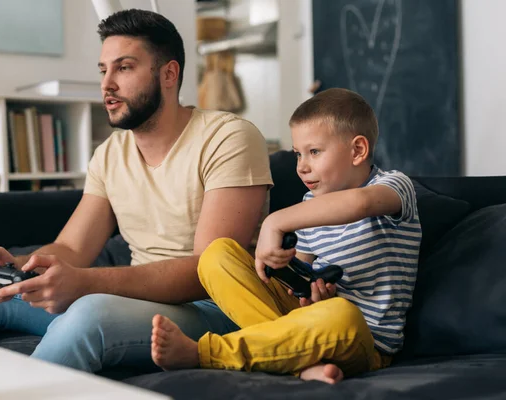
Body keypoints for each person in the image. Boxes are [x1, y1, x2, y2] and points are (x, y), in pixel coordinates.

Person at [0, 9, 272, 376]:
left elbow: (206, 271)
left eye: (124, 68)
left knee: (89, 313)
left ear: (169, 74)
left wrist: (83, 283)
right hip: (138, 303)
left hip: (215, 309)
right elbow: (72, 249)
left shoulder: (229, 138)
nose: (107, 84)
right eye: (103, 70)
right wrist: (18, 267)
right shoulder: (111, 154)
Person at [150, 88, 422, 384]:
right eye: (298, 154)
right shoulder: (308, 206)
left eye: (314, 152)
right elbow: (299, 284)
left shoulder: (395, 185)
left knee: (343, 314)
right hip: (305, 326)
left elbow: (360, 203)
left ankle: (206, 354)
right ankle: (299, 364)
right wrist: (306, 292)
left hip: (364, 341)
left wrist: (274, 222)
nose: (302, 166)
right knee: (216, 255)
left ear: (358, 150)